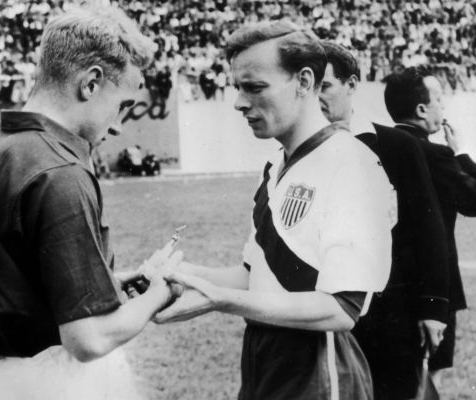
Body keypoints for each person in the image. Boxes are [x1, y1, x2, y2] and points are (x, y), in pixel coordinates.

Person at [0, 6, 181, 400]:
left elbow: (8, 280)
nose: (119, 125)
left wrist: (103, 283)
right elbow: (89, 339)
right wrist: (160, 293)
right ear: (92, 83)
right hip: (53, 382)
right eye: (123, 105)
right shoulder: (61, 168)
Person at [155, 21, 395, 400]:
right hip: (263, 358)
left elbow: (340, 309)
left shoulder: (352, 164)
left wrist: (222, 301)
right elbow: (254, 276)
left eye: (254, 87)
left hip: (318, 368)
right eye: (238, 87)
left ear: (303, 81)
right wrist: (179, 274)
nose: (238, 102)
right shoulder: (276, 167)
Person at [319, 42, 450, 400]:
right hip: (323, 314)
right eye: (308, 86)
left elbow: (429, 229)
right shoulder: (299, 154)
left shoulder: (396, 146)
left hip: (393, 313)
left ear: (352, 84)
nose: (316, 97)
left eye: (325, 85)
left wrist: (434, 306)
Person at [384, 66, 476, 386]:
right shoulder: (434, 154)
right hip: (434, 286)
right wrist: (461, 153)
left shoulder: (380, 145)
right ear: (422, 110)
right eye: (438, 99)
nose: (443, 107)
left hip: (390, 285)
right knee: (426, 381)